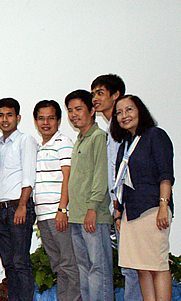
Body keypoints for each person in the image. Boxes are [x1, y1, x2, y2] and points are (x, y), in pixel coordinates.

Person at [111, 95, 174, 301]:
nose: (124, 116)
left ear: (140, 111)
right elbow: (121, 182)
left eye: (129, 110)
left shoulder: (155, 135)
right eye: (119, 113)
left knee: (157, 265)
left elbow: (166, 174)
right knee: (141, 269)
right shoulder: (125, 144)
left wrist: (163, 206)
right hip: (131, 212)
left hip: (152, 209)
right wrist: (119, 214)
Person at [91, 74, 142, 301]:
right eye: (93, 94)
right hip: (116, 207)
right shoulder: (110, 131)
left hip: (132, 205)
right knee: (126, 265)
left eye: (100, 93)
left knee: (133, 266)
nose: (94, 99)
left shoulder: (127, 130)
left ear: (116, 95)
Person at [65, 89, 113, 300]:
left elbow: (101, 176)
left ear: (92, 110)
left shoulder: (98, 137)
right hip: (76, 216)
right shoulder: (79, 140)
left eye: (78, 109)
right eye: (70, 110)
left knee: (98, 269)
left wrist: (92, 208)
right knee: (84, 268)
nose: (74, 114)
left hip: (93, 216)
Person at [32, 100, 81, 301]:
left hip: (58, 214)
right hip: (43, 216)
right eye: (41, 118)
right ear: (35, 121)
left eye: (51, 118)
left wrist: (62, 209)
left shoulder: (63, 142)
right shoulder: (39, 147)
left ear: (59, 121)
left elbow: (68, 177)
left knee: (69, 264)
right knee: (58, 266)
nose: (46, 122)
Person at [0, 98, 37, 301]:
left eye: (9, 115)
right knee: (9, 263)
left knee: (20, 262)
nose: (5, 119)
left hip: (17, 208)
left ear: (18, 118)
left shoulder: (25, 140)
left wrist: (22, 206)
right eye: (1, 115)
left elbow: (28, 176)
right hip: (0, 210)